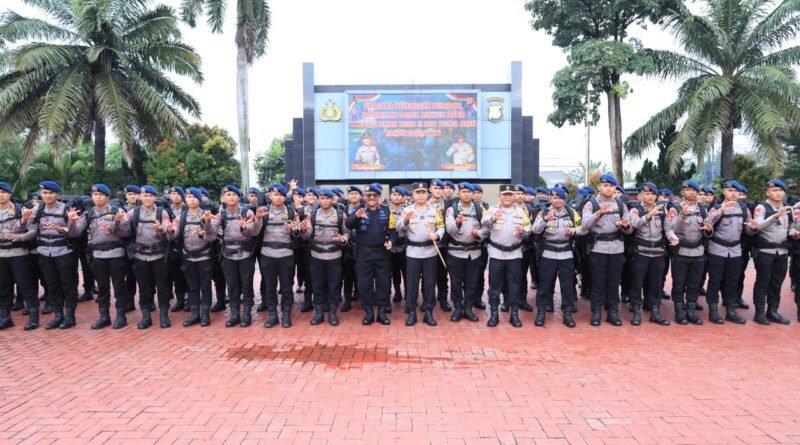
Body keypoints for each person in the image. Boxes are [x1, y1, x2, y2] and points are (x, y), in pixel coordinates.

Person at [69, 184, 132, 329]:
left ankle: (121, 316)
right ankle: (104, 317)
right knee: (102, 288)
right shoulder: (88, 213)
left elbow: (127, 232)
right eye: (95, 194)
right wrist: (71, 221)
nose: (98, 197)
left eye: (101, 195)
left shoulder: (117, 211)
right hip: (97, 255)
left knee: (119, 286)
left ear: (107, 197)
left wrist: (116, 225)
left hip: (116, 254)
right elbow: (75, 233)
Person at [24, 181, 80, 330]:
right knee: (52, 285)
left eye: (51, 193)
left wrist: (63, 226)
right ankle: (58, 315)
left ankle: (70, 316)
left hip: (63, 252)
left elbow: (74, 233)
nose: (48, 196)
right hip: (44, 253)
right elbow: (29, 228)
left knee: (68, 285)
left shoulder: (66, 209)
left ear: (57, 194)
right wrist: (25, 219)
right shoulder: (38, 209)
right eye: (45, 193)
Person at [581, 175, 633, 327]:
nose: (608, 188)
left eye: (611, 186)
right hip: (598, 247)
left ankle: (613, 312)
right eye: (605, 185)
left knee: (614, 282)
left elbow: (629, 230)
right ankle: (596, 312)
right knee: (598, 282)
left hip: (617, 248)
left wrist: (625, 226)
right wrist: (599, 214)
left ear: (615, 188)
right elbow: (585, 225)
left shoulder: (621, 205)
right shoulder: (591, 204)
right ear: (599, 187)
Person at [166, 188, 219, 327]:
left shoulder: (207, 215)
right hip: (188, 257)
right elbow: (173, 235)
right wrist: (170, 231)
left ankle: (205, 314)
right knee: (192, 287)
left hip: (204, 257)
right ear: (185, 199)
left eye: (194, 197)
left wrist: (206, 224)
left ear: (199, 199)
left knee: (205, 287)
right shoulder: (181, 217)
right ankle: (194, 314)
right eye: (189, 197)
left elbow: (212, 236)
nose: (192, 200)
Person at [346, 183, 397, 325]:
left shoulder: (387, 211)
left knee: (383, 283)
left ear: (379, 197)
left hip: (382, 253)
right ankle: (368, 312)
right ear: (364, 197)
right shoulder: (358, 210)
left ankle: (381, 312)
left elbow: (393, 231)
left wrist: (391, 242)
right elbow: (348, 225)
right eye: (369, 195)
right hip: (364, 253)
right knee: (364, 284)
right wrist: (356, 217)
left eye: (375, 195)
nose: (372, 198)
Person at [481, 184, 531, 328]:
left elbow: (529, 227)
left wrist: (524, 231)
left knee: (514, 285)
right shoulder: (492, 210)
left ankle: (514, 315)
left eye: (510, 194)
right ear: (500, 196)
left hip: (514, 254)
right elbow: (483, 222)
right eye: (505, 194)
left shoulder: (521, 211)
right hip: (496, 253)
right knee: (494, 286)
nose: (507, 197)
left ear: (513, 196)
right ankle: (494, 315)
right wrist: (493, 219)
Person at [396, 182, 445, 326]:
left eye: (423, 192)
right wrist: (406, 219)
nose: (421, 195)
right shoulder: (407, 210)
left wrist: (437, 235)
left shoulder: (435, 210)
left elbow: (441, 227)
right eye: (418, 192)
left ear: (427, 194)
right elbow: (398, 228)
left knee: (429, 283)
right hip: (413, 253)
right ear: (413, 194)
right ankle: (411, 312)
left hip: (430, 252)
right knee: (412, 284)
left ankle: (428, 312)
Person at [748, 179, 795, 325]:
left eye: (780, 190)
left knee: (776, 283)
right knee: (763, 282)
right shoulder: (761, 207)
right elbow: (758, 226)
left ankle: (773, 311)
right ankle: (759, 313)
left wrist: (793, 233)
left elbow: (791, 226)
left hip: (782, 252)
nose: (778, 193)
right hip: (765, 251)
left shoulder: (788, 209)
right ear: (768, 192)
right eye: (774, 190)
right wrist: (775, 215)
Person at [531, 188, 580, 327]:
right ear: (550, 199)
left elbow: (582, 228)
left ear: (564, 199)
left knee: (567, 286)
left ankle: (568, 314)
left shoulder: (572, 213)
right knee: (544, 285)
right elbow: (535, 230)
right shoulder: (543, 212)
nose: (557, 200)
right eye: (554, 198)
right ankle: (541, 313)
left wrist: (575, 230)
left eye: (560, 198)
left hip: (566, 253)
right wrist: (545, 220)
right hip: (548, 253)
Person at [665, 180, 711, 325]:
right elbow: (673, 230)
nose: (690, 193)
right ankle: (679, 312)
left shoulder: (702, 210)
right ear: (682, 192)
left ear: (697, 193)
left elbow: (707, 231)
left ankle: (690, 311)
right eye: (687, 190)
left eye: (693, 190)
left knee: (694, 284)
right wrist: (681, 216)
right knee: (678, 284)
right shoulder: (675, 209)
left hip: (698, 252)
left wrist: (709, 230)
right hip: (681, 252)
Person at [300, 188, 349, 326]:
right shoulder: (313, 215)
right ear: (318, 200)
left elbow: (347, 232)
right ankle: (319, 313)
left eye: (327, 198)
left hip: (334, 256)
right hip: (317, 256)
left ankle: (332, 313)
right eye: (322, 198)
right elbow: (306, 236)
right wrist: (303, 230)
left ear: (332, 200)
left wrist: (343, 239)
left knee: (334, 286)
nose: (325, 201)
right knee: (317, 285)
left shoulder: (340, 214)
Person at [703, 180, 749, 324]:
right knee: (715, 281)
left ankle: (730, 310)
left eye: (736, 191)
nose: (733, 194)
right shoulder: (716, 207)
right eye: (730, 191)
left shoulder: (743, 209)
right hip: (718, 249)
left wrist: (753, 229)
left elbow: (748, 230)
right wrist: (721, 210)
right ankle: (713, 311)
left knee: (732, 281)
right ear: (724, 192)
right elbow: (707, 222)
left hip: (735, 250)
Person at [127, 185, 173, 329]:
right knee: (144, 288)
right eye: (145, 196)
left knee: (163, 287)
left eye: (150, 196)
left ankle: (164, 315)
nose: (147, 198)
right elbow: (124, 232)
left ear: (155, 198)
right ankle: (146, 316)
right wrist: (116, 222)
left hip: (158, 256)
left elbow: (167, 232)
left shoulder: (162, 212)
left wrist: (161, 229)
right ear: (140, 197)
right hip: (140, 256)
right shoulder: (132, 213)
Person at [627, 183, 670, 326]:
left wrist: (672, 236)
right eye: (647, 193)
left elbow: (668, 228)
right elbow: (635, 224)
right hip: (641, 252)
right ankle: (636, 312)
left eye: (652, 194)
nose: (650, 196)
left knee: (656, 284)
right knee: (637, 283)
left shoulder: (663, 210)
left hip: (658, 253)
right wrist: (649, 215)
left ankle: (655, 312)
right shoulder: (635, 210)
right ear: (640, 196)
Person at [218, 185, 261, 328]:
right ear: (223, 198)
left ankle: (247, 314)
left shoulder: (247, 212)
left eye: (234, 195)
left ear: (238, 197)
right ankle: (234, 314)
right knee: (232, 286)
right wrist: (206, 224)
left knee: (246, 284)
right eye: (228, 195)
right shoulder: (221, 214)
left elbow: (253, 232)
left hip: (245, 254)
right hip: (228, 255)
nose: (231, 197)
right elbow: (212, 234)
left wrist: (245, 227)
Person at [257, 184, 299, 328]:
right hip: (267, 254)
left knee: (286, 287)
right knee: (270, 287)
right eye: (275, 194)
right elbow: (254, 232)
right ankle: (272, 315)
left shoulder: (291, 212)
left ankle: (286, 314)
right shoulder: (263, 212)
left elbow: (298, 232)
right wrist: (256, 219)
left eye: (281, 195)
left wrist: (295, 230)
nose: (278, 197)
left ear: (285, 197)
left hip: (286, 254)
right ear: (270, 196)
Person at [445, 183, 487, 322]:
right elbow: (449, 229)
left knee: (472, 281)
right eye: (464, 192)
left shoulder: (480, 210)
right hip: (455, 252)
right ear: (459, 194)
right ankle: (458, 308)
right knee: (455, 282)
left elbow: (487, 229)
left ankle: (468, 308)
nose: (467, 194)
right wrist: (457, 222)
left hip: (474, 252)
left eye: (469, 192)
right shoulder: (451, 210)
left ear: (473, 194)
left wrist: (478, 234)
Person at [0, 182, 38, 330]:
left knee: (25, 285)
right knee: (3, 287)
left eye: (3, 192)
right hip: (1, 255)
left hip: (18, 254)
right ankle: (5, 317)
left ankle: (33, 317)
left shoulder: (20, 210)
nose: (0, 195)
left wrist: (20, 237)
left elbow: (33, 230)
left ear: (10, 194)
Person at [166, 186, 189, 312]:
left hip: (186, 245)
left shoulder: (188, 208)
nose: (175, 196)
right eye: (173, 194)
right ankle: (180, 300)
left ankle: (190, 299)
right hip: (173, 246)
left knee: (189, 274)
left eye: (178, 194)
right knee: (176, 274)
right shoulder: (166, 210)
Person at [387, 186, 408, 303]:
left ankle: (408, 293)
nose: (396, 197)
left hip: (405, 246)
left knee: (406, 271)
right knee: (394, 271)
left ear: (403, 197)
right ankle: (397, 292)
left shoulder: (408, 210)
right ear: (390, 196)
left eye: (399, 195)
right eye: (394, 195)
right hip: (390, 247)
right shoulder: (385, 210)